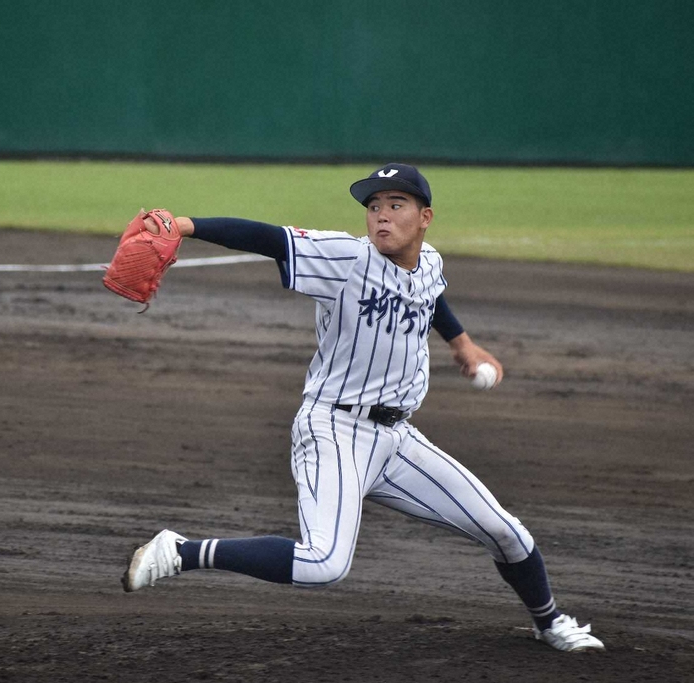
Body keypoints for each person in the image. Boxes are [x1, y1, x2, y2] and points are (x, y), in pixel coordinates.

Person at [121, 163, 604, 653]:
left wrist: (463, 344)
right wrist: (184, 226)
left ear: (425, 217)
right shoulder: (347, 257)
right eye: (374, 207)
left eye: (396, 206)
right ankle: (179, 552)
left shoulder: (429, 262)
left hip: (396, 442)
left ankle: (550, 623)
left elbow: (429, 297)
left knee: (506, 531)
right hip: (333, 429)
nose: (381, 216)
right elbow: (270, 238)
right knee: (323, 565)